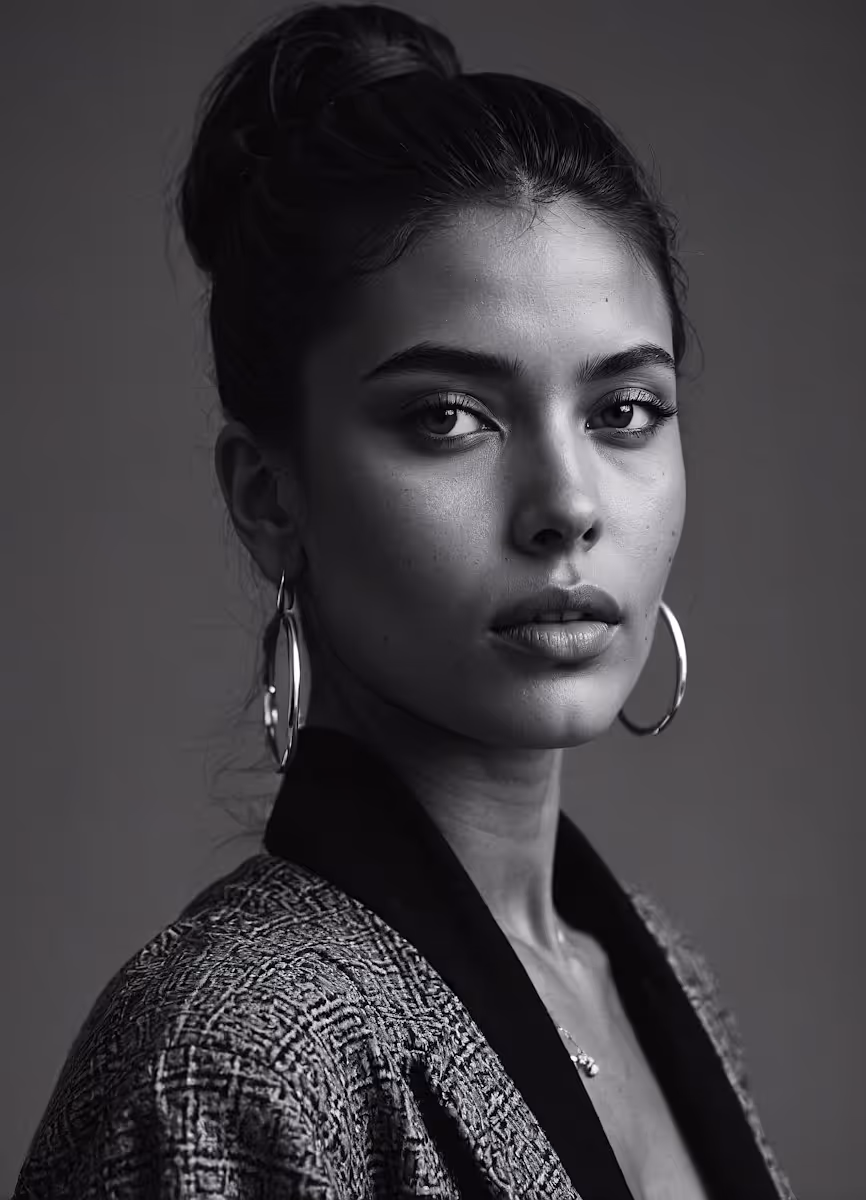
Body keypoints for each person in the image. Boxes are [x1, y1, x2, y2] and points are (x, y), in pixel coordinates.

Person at [14, 4, 796, 1198]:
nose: (565, 505)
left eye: (622, 410)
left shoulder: (657, 975)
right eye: (447, 417)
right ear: (269, 497)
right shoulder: (232, 1050)